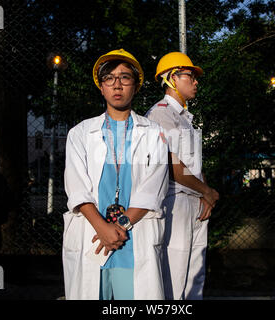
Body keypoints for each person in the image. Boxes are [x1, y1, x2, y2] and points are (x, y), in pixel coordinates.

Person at [62, 49, 169, 300]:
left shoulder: (154, 133)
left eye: (124, 77)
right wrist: (102, 228)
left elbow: (153, 189)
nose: (117, 84)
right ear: (101, 87)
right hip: (94, 235)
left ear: (136, 85)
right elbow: (77, 188)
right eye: (109, 78)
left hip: (131, 237)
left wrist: (118, 227)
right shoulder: (79, 133)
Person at [145, 52, 220, 300]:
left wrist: (205, 194)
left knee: (194, 278)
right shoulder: (160, 114)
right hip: (174, 201)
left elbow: (194, 165)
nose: (196, 81)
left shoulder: (184, 118)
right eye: (190, 75)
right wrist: (207, 191)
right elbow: (174, 166)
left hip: (194, 201)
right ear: (172, 79)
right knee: (174, 277)